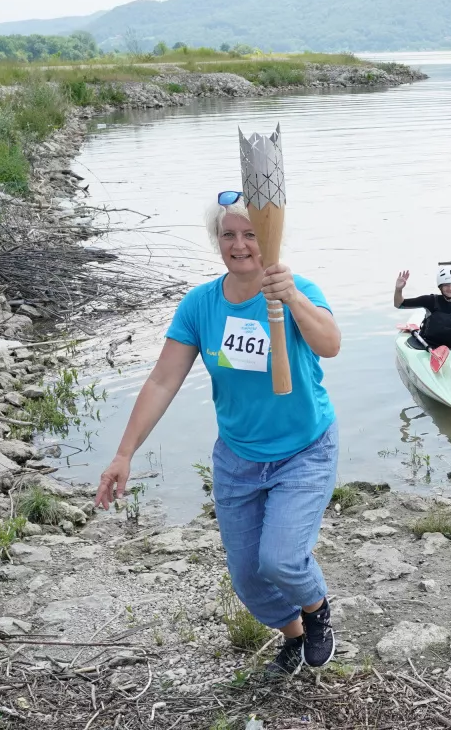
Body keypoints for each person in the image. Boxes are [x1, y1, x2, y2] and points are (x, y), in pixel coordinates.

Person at [95, 192, 342, 680]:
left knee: (281, 559)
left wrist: (291, 298)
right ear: (217, 241)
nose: (239, 245)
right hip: (238, 457)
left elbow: (330, 344)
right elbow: (162, 380)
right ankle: (294, 638)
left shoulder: (298, 288)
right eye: (228, 234)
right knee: (248, 577)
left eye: (251, 234)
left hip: (304, 450)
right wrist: (124, 453)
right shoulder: (201, 304)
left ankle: (317, 612)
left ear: (269, 238)